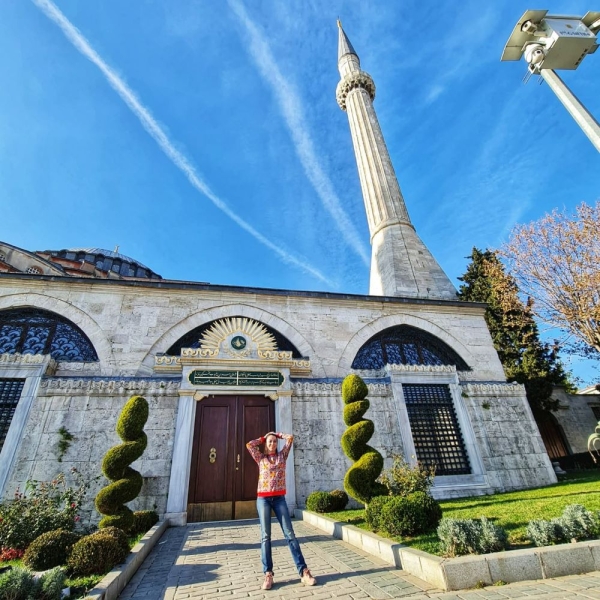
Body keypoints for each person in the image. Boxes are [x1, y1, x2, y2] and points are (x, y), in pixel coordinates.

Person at [246, 431, 317, 590]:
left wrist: (277, 434)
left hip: (279, 500)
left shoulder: (282, 456)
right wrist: (263, 437)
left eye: (274, 442)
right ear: (266, 444)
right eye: (269, 442)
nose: (272, 444)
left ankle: (303, 571)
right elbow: (249, 445)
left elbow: (290, 438)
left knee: (290, 534)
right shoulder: (261, 458)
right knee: (265, 536)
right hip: (263, 499)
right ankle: (268, 574)